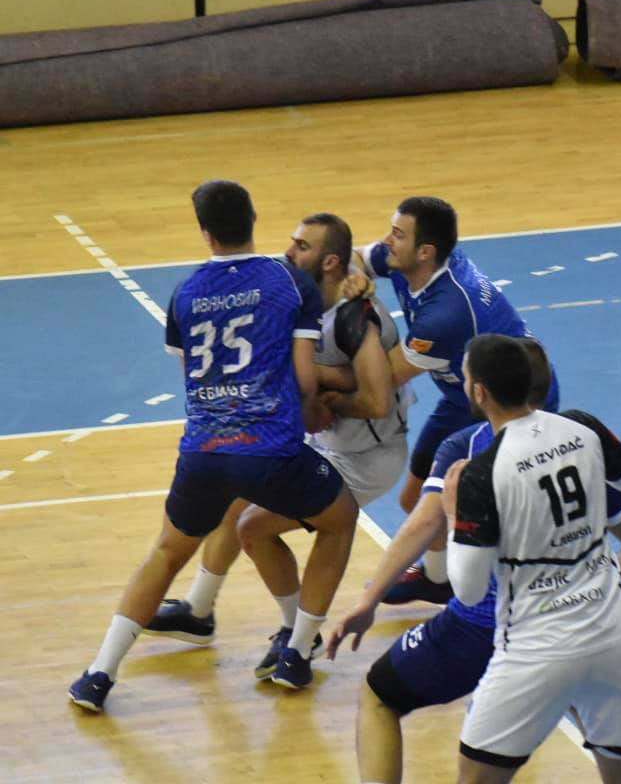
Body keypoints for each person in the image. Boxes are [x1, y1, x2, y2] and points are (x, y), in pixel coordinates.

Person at [68, 181, 358, 712]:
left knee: (165, 553)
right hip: (270, 450)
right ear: (254, 217)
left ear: (205, 233)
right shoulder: (288, 281)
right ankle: (297, 651)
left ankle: (97, 674)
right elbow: (303, 376)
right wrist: (310, 406)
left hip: (203, 452)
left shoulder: (185, 293)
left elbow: (192, 374)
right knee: (340, 518)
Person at [327, 338, 621, 784]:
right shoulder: (583, 433)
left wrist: (453, 513)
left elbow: (465, 587)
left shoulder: (478, 467)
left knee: (459, 762)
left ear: (479, 391)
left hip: (531, 640)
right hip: (609, 630)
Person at [145, 213, 409, 688]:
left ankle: (299, 640)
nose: (288, 252)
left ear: (329, 262)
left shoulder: (356, 315)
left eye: (301, 246)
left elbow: (376, 400)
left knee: (254, 527)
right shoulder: (304, 296)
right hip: (326, 444)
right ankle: (201, 612)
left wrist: (327, 399)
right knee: (235, 491)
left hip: (367, 457)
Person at [351, 196, 558, 606]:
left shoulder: (445, 315)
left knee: (474, 506)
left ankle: (498, 588)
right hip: (465, 394)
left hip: (515, 405)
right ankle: (436, 578)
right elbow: (355, 256)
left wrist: (358, 319)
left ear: (425, 252)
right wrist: (356, 279)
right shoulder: (412, 262)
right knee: (414, 498)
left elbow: (383, 378)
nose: (387, 241)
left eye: (398, 235)